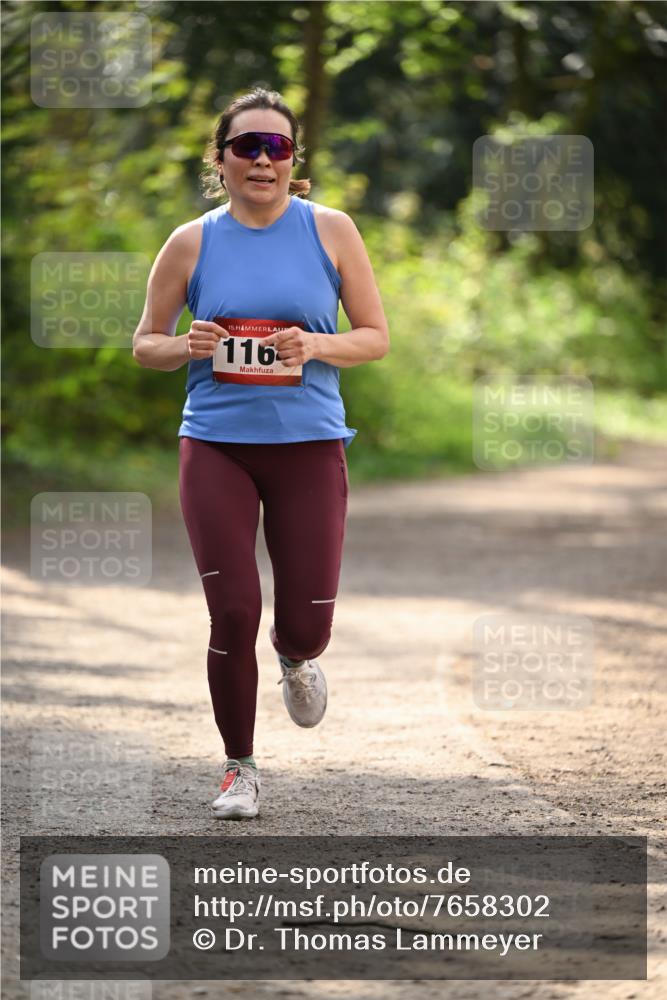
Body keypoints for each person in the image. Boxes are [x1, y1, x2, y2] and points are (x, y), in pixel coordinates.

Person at [132, 87, 389, 820]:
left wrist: (316, 344)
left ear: (293, 159)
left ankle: (296, 655)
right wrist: (187, 344)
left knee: (304, 620)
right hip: (215, 445)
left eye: (277, 147)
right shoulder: (192, 241)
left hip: (309, 444)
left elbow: (374, 336)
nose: (263, 160)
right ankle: (238, 769)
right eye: (247, 146)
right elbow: (144, 342)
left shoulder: (331, 231)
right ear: (220, 159)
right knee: (232, 609)